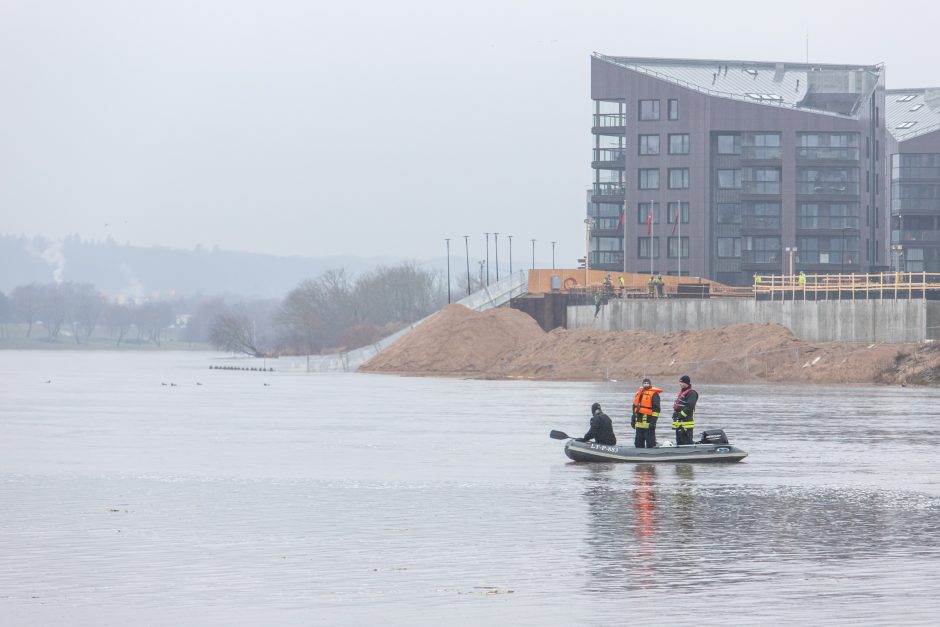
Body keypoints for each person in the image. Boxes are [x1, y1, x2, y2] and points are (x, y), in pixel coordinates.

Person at [632, 377, 662, 448]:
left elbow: (657, 409)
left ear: (650, 384)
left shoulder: (654, 394)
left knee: (650, 443)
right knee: (638, 443)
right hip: (639, 424)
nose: (646, 384)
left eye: (647, 383)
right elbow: (634, 407)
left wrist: (653, 422)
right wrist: (633, 419)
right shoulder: (639, 393)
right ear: (642, 384)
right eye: (644, 383)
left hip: (649, 424)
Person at [672, 375, 697, 445]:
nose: (680, 384)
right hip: (679, 423)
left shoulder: (692, 393)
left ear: (687, 383)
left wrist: (679, 415)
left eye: (682, 382)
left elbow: (689, 407)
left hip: (686, 424)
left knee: (686, 443)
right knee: (679, 442)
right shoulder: (682, 392)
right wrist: (675, 415)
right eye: (680, 382)